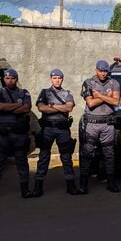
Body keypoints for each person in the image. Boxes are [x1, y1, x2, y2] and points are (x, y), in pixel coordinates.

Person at [0, 68, 32, 200]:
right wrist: (17, 107)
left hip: (19, 134)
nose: (10, 81)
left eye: (12, 78)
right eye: (7, 78)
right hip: (3, 135)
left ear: (16, 79)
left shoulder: (23, 92)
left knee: (22, 162)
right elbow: (0, 107)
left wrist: (8, 107)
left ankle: (25, 189)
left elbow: (27, 108)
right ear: (4, 79)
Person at [30, 68, 77, 197]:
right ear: (51, 79)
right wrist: (58, 108)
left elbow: (69, 107)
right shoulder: (44, 93)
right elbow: (41, 108)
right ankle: (38, 186)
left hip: (63, 129)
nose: (57, 80)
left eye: (59, 78)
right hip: (47, 129)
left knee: (66, 157)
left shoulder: (67, 93)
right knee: (44, 157)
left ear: (62, 79)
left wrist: (51, 106)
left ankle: (71, 185)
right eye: (55, 78)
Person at [79, 60, 121, 194]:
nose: (103, 74)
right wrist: (107, 96)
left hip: (108, 124)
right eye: (100, 71)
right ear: (96, 70)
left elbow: (116, 101)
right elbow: (90, 103)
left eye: (105, 71)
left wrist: (99, 95)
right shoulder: (88, 83)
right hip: (92, 123)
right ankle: (83, 184)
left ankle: (111, 183)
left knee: (109, 154)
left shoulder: (114, 83)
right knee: (87, 153)